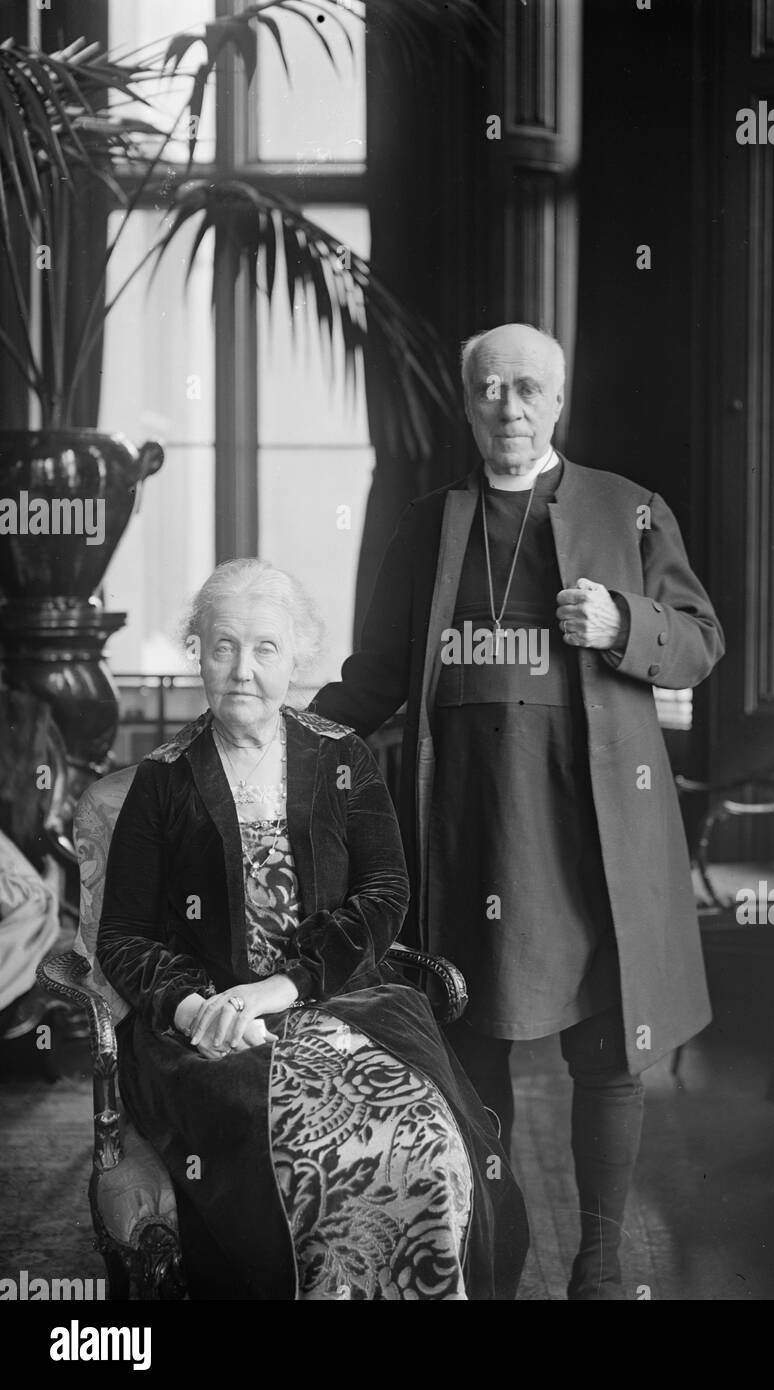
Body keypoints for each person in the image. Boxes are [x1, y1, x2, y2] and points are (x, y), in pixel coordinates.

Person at [311, 322, 725, 1299]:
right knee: (470, 1043)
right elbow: (371, 679)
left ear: (558, 401)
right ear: (466, 403)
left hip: (591, 827)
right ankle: (497, 1248)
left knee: (604, 1045)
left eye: (528, 388)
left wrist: (624, 623)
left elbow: (702, 640)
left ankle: (596, 1259)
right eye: (490, 388)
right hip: (464, 822)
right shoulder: (427, 524)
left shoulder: (627, 510)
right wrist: (277, 734)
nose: (508, 405)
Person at [96, 559, 527, 1300]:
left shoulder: (340, 757)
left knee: (424, 1139)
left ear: (298, 656)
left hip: (350, 1005)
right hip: (213, 1031)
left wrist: (283, 985)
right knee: (310, 1147)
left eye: (265, 648)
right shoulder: (163, 780)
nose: (242, 669)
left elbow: (386, 891)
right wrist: (198, 1007)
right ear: (197, 651)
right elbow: (124, 936)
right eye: (223, 645)